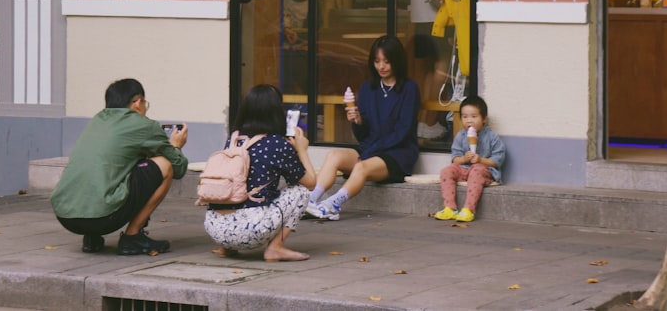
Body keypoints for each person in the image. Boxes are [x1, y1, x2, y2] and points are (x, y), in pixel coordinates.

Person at [50, 78, 189, 255]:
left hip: (66, 216)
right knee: (165, 165)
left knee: (110, 168)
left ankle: (91, 238)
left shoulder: (96, 122)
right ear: (137, 102)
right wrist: (176, 145)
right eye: (145, 103)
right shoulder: (144, 125)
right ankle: (132, 237)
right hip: (103, 217)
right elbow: (179, 168)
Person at [305, 35, 420, 221]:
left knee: (361, 167)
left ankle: (332, 204)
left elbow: (403, 131)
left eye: (386, 61)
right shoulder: (368, 88)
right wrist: (357, 121)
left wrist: (369, 152)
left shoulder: (409, 88)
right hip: (370, 148)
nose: (381, 66)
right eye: (377, 61)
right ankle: (311, 200)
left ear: (397, 61)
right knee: (334, 156)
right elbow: (363, 134)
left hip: (398, 153)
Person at [203, 84, 317, 262]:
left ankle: (226, 248)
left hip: (214, 228)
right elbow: (310, 182)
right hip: (249, 231)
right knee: (300, 192)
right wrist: (301, 150)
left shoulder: (234, 138)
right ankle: (275, 249)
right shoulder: (277, 144)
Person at [402, 0, 449, 140]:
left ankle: (422, 120)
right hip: (440, 16)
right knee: (442, 67)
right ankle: (429, 120)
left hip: (419, 16)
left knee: (423, 71)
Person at [432, 95, 505, 222]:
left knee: (476, 170)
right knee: (446, 171)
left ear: (484, 119)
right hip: (464, 168)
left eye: (474, 117)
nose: (469, 121)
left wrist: (481, 160)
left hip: (484, 170)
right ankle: (450, 208)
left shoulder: (491, 136)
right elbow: (455, 159)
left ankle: (468, 209)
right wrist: (464, 159)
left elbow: (497, 161)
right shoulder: (461, 135)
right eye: (465, 117)